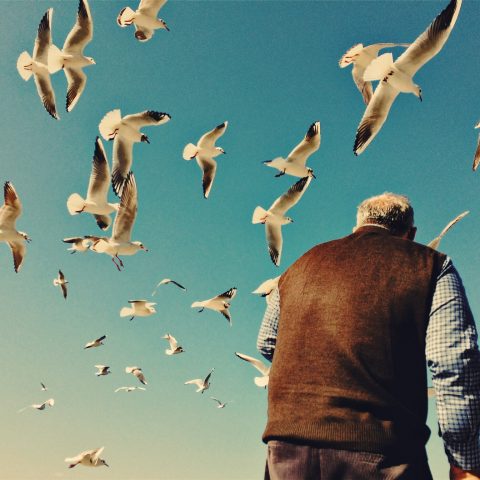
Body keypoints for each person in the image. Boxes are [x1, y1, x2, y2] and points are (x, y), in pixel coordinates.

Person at [257, 192, 480, 480]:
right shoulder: (431, 265)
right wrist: (464, 460)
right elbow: (455, 362)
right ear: (410, 234)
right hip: (381, 455)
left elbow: (267, 342)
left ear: (357, 226)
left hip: (286, 455)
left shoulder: (297, 267)